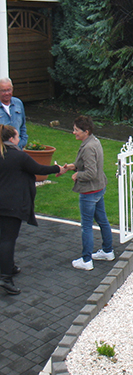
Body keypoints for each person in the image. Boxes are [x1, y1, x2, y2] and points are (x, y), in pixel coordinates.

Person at [0, 125, 66, 294]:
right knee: (8, 239)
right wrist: (58, 169)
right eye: (17, 136)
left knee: (3, 237)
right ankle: (6, 278)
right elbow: (39, 169)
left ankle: (10, 266)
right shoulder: (19, 156)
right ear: (13, 139)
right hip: (11, 204)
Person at [66, 115, 114, 271]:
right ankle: (108, 251)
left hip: (90, 191)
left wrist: (77, 175)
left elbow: (91, 172)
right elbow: (85, 164)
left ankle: (86, 260)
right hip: (99, 188)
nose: (74, 132)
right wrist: (71, 166)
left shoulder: (87, 147)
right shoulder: (94, 141)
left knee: (86, 226)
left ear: (85, 131)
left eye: (76, 130)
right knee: (103, 220)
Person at [0, 78, 27, 149]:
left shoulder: (18, 103)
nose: (6, 93)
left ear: (12, 89)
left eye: (8, 90)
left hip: (18, 148)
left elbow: (23, 126)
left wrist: (23, 142)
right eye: (3, 91)